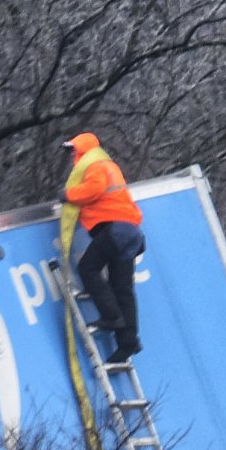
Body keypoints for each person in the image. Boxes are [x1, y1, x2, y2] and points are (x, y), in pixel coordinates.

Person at [62, 131, 146, 362]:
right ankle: (128, 342)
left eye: (73, 152)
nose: (72, 158)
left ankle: (110, 316)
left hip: (115, 229)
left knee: (88, 268)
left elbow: (94, 189)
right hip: (131, 231)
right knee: (122, 289)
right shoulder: (110, 165)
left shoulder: (95, 165)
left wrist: (68, 194)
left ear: (81, 150)